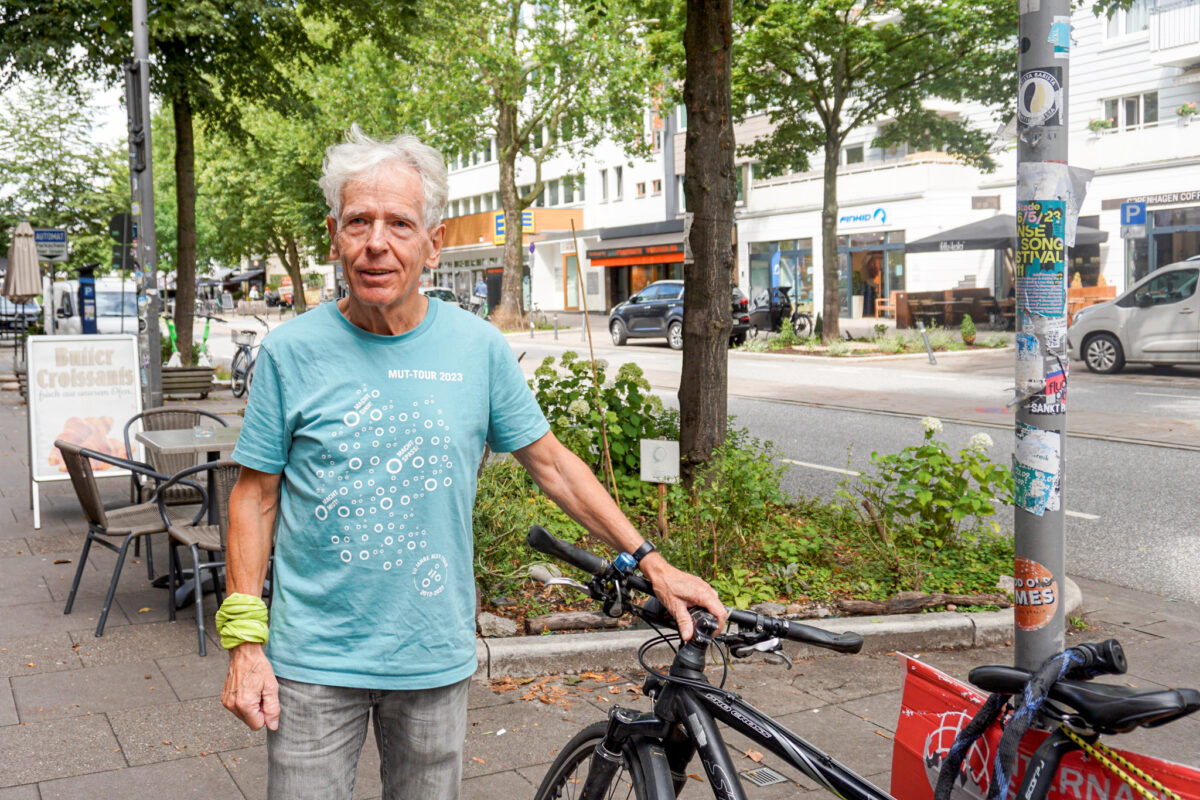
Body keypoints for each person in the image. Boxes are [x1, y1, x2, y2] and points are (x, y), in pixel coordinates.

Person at [218, 125, 725, 800]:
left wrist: (651, 563)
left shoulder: (477, 348)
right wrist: (245, 645)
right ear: (334, 235)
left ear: (434, 242)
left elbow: (552, 465)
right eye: (358, 222)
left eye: (399, 223)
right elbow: (254, 496)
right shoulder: (292, 352)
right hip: (313, 663)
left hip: (432, 658)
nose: (376, 243)